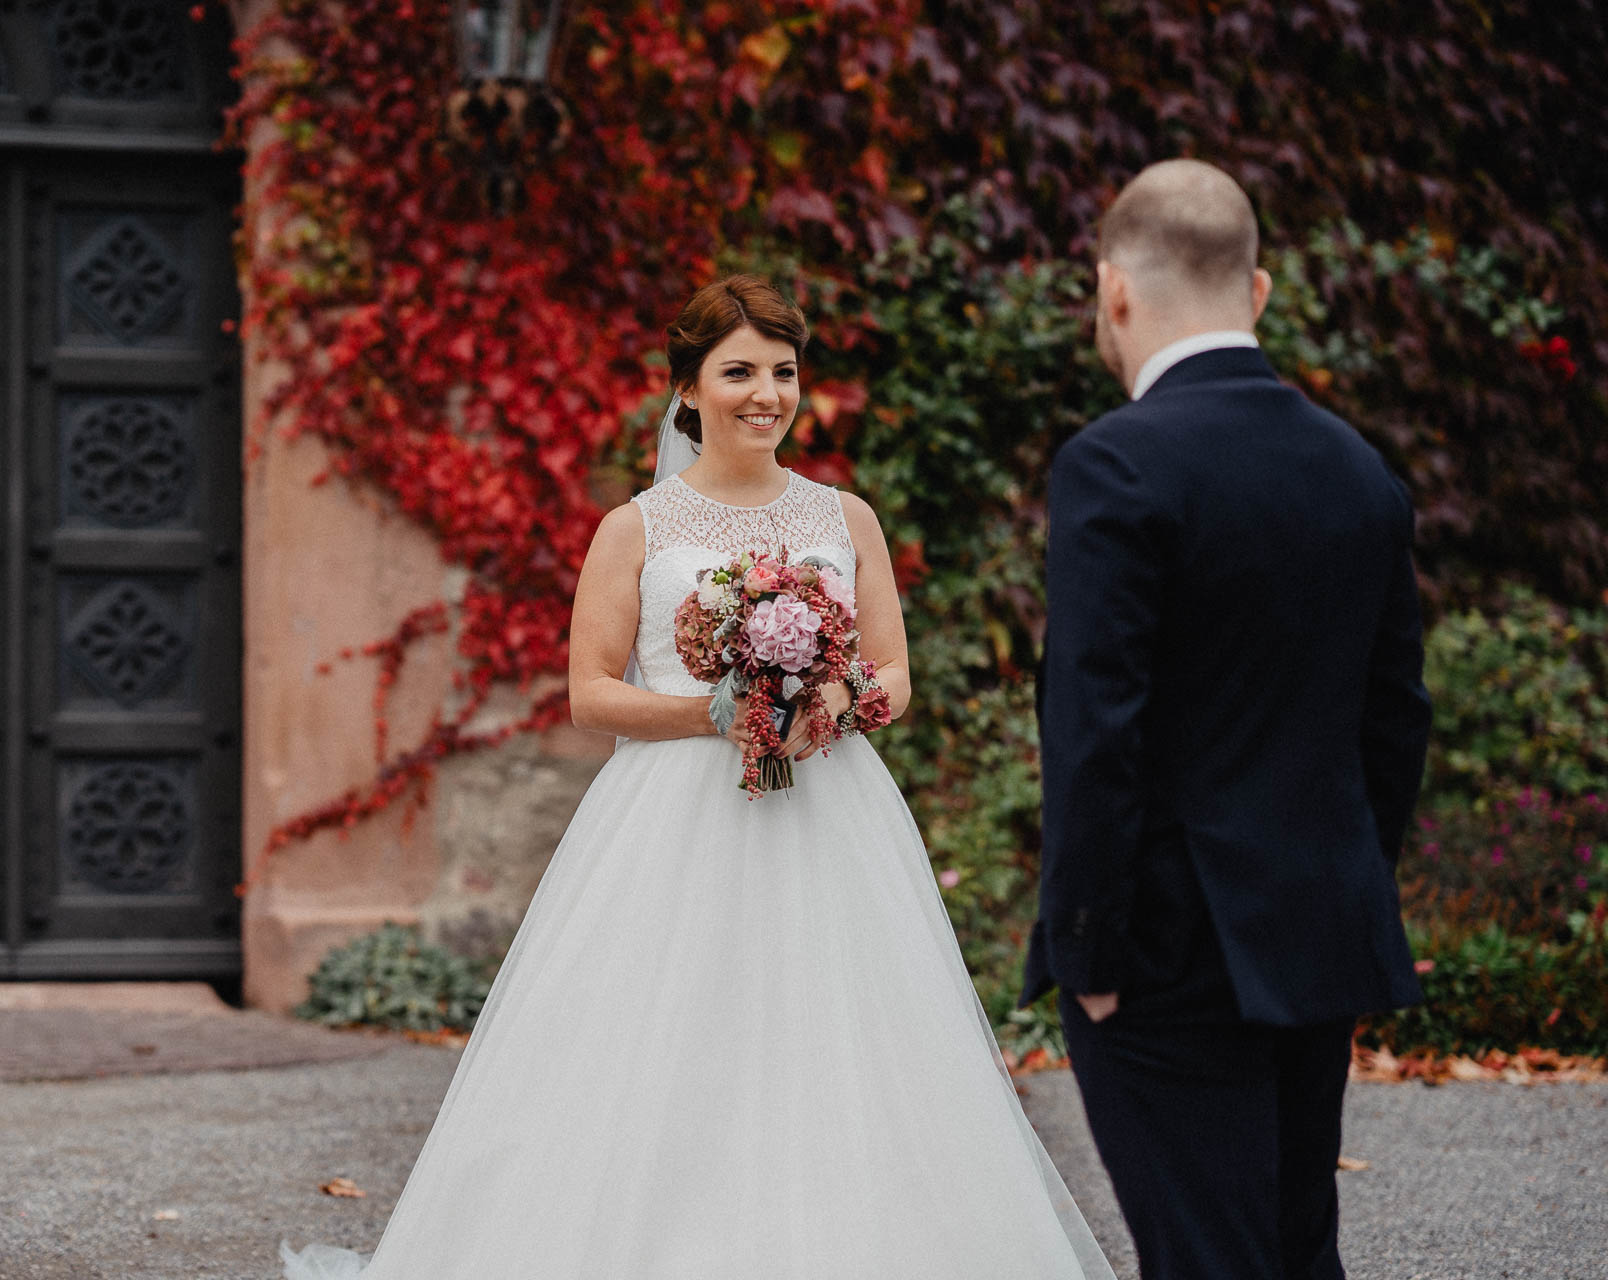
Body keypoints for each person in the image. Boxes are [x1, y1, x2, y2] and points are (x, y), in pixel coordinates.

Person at [281, 275, 1116, 1278]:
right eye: (739, 372)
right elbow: (590, 693)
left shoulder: (846, 519)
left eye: (783, 371)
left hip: (830, 810)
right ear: (687, 388)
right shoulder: (635, 528)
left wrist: (832, 705)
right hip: (670, 819)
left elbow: (896, 673)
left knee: (838, 1041)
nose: (766, 393)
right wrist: (715, 715)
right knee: (665, 1043)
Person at [1024, 159, 1432, 1280]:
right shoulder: (1360, 471)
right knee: (1296, 1251)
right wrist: (1338, 878)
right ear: (1258, 292)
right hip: (1315, 933)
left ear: (1113, 290)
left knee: (1206, 1255)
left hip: (1162, 951)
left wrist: (1090, 951)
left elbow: (1096, 723)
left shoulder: (1115, 464)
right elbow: (1395, 718)